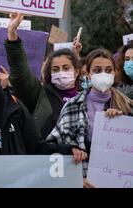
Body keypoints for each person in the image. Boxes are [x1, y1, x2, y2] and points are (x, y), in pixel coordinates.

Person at [47, 48, 133, 183]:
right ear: (87, 73)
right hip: (82, 181)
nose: (104, 74)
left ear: (115, 71)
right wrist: (70, 151)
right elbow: (52, 147)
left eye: (109, 70)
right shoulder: (73, 106)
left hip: (120, 181)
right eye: (97, 70)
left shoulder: (128, 106)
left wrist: (121, 121)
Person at [5, 13, 82, 138]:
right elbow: (20, 72)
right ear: (49, 73)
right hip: (44, 156)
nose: (61, 72)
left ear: (76, 71)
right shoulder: (40, 95)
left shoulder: (86, 97)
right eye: (55, 69)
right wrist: (12, 33)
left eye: (66, 68)